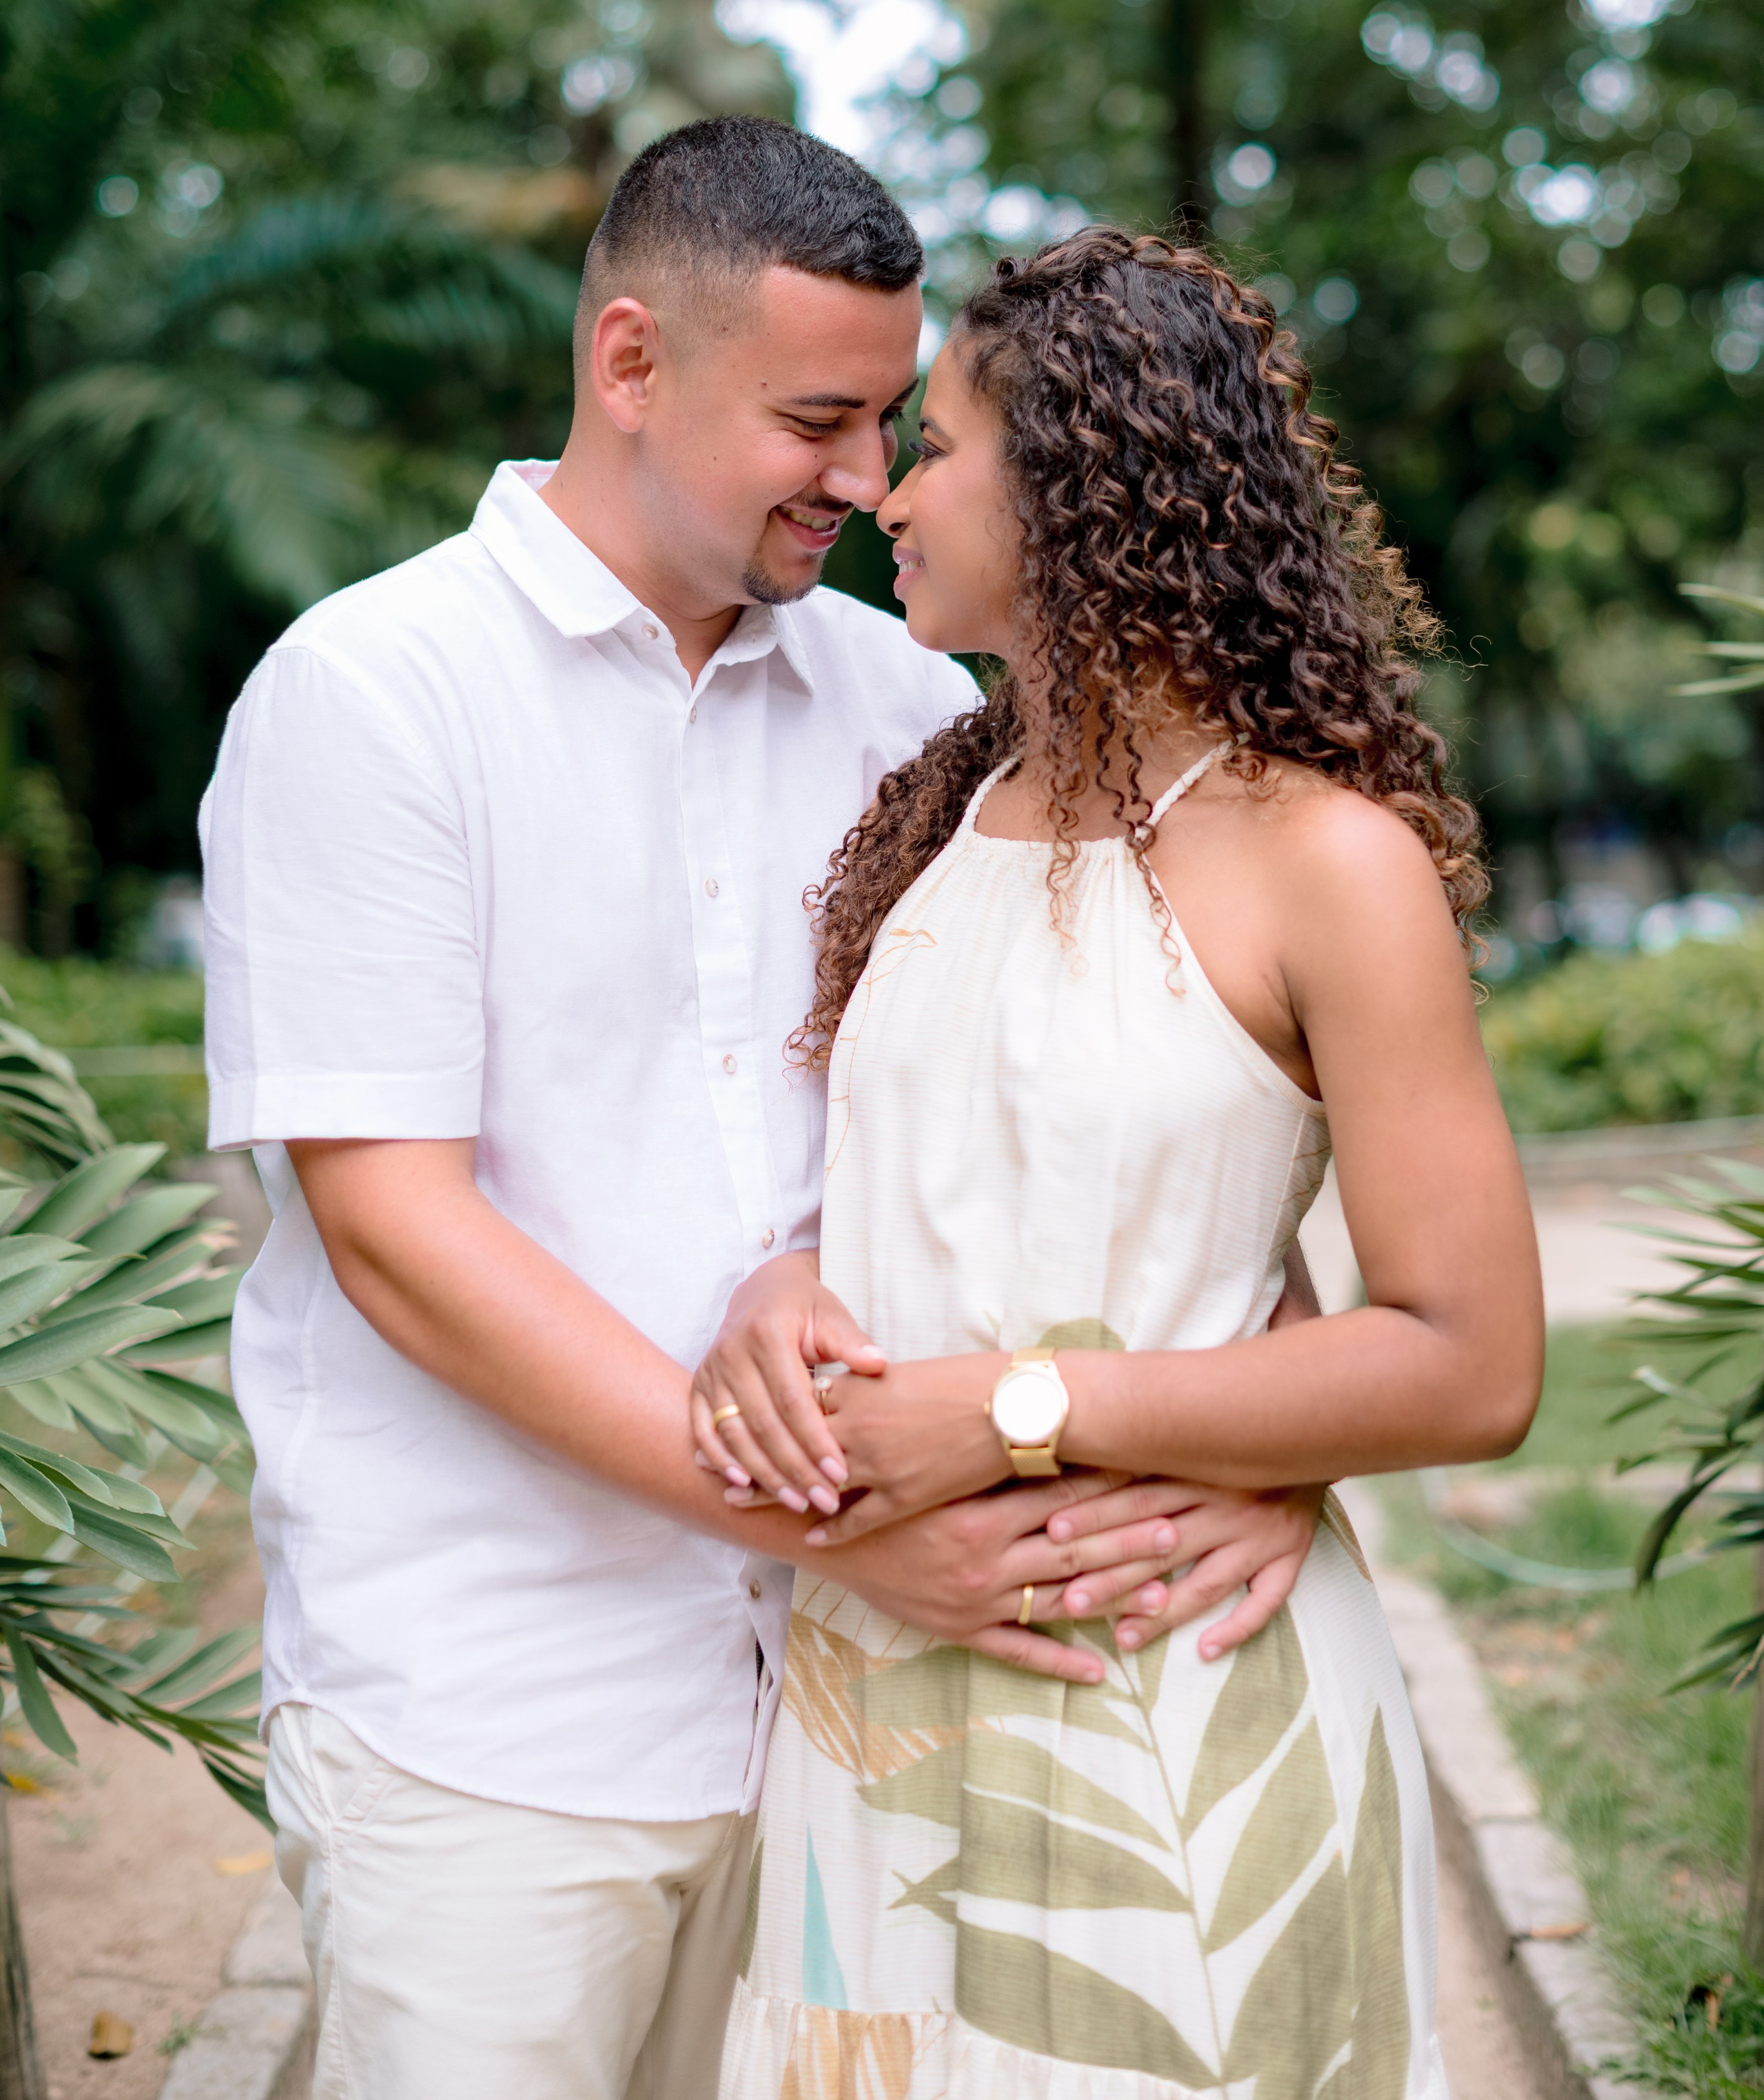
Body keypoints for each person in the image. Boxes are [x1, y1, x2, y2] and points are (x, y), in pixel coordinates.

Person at [198, 123, 1323, 2100]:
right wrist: (841, 1531)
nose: (869, 479)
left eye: (895, 421)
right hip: (500, 1719)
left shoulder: (914, 712)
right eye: (818, 417)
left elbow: (1036, 1113)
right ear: (631, 362)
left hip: (874, 1714)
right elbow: (399, 1232)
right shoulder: (374, 694)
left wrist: (1260, 1439)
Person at [694, 229, 1544, 2099]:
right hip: (874, 1704)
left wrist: (1021, 1408)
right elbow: (942, 1188)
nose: (885, 494)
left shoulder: (1326, 857)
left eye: (933, 443)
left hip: (1169, 1711)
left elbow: (1472, 1357)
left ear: (1081, 478)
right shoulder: (939, 810)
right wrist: (781, 1281)